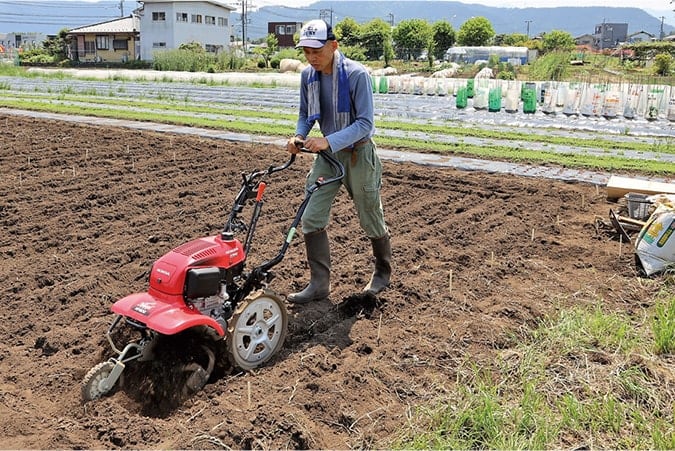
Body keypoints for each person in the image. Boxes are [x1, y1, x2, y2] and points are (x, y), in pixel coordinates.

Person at [286, 19, 392, 304]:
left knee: (370, 215)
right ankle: (319, 284)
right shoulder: (308, 76)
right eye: (306, 52)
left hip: (358, 154)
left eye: (316, 51)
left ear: (333, 46)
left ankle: (382, 272)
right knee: (311, 215)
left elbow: (365, 124)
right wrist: (299, 136)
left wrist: (328, 140)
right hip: (328, 156)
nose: (311, 58)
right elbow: (305, 114)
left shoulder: (357, 75)